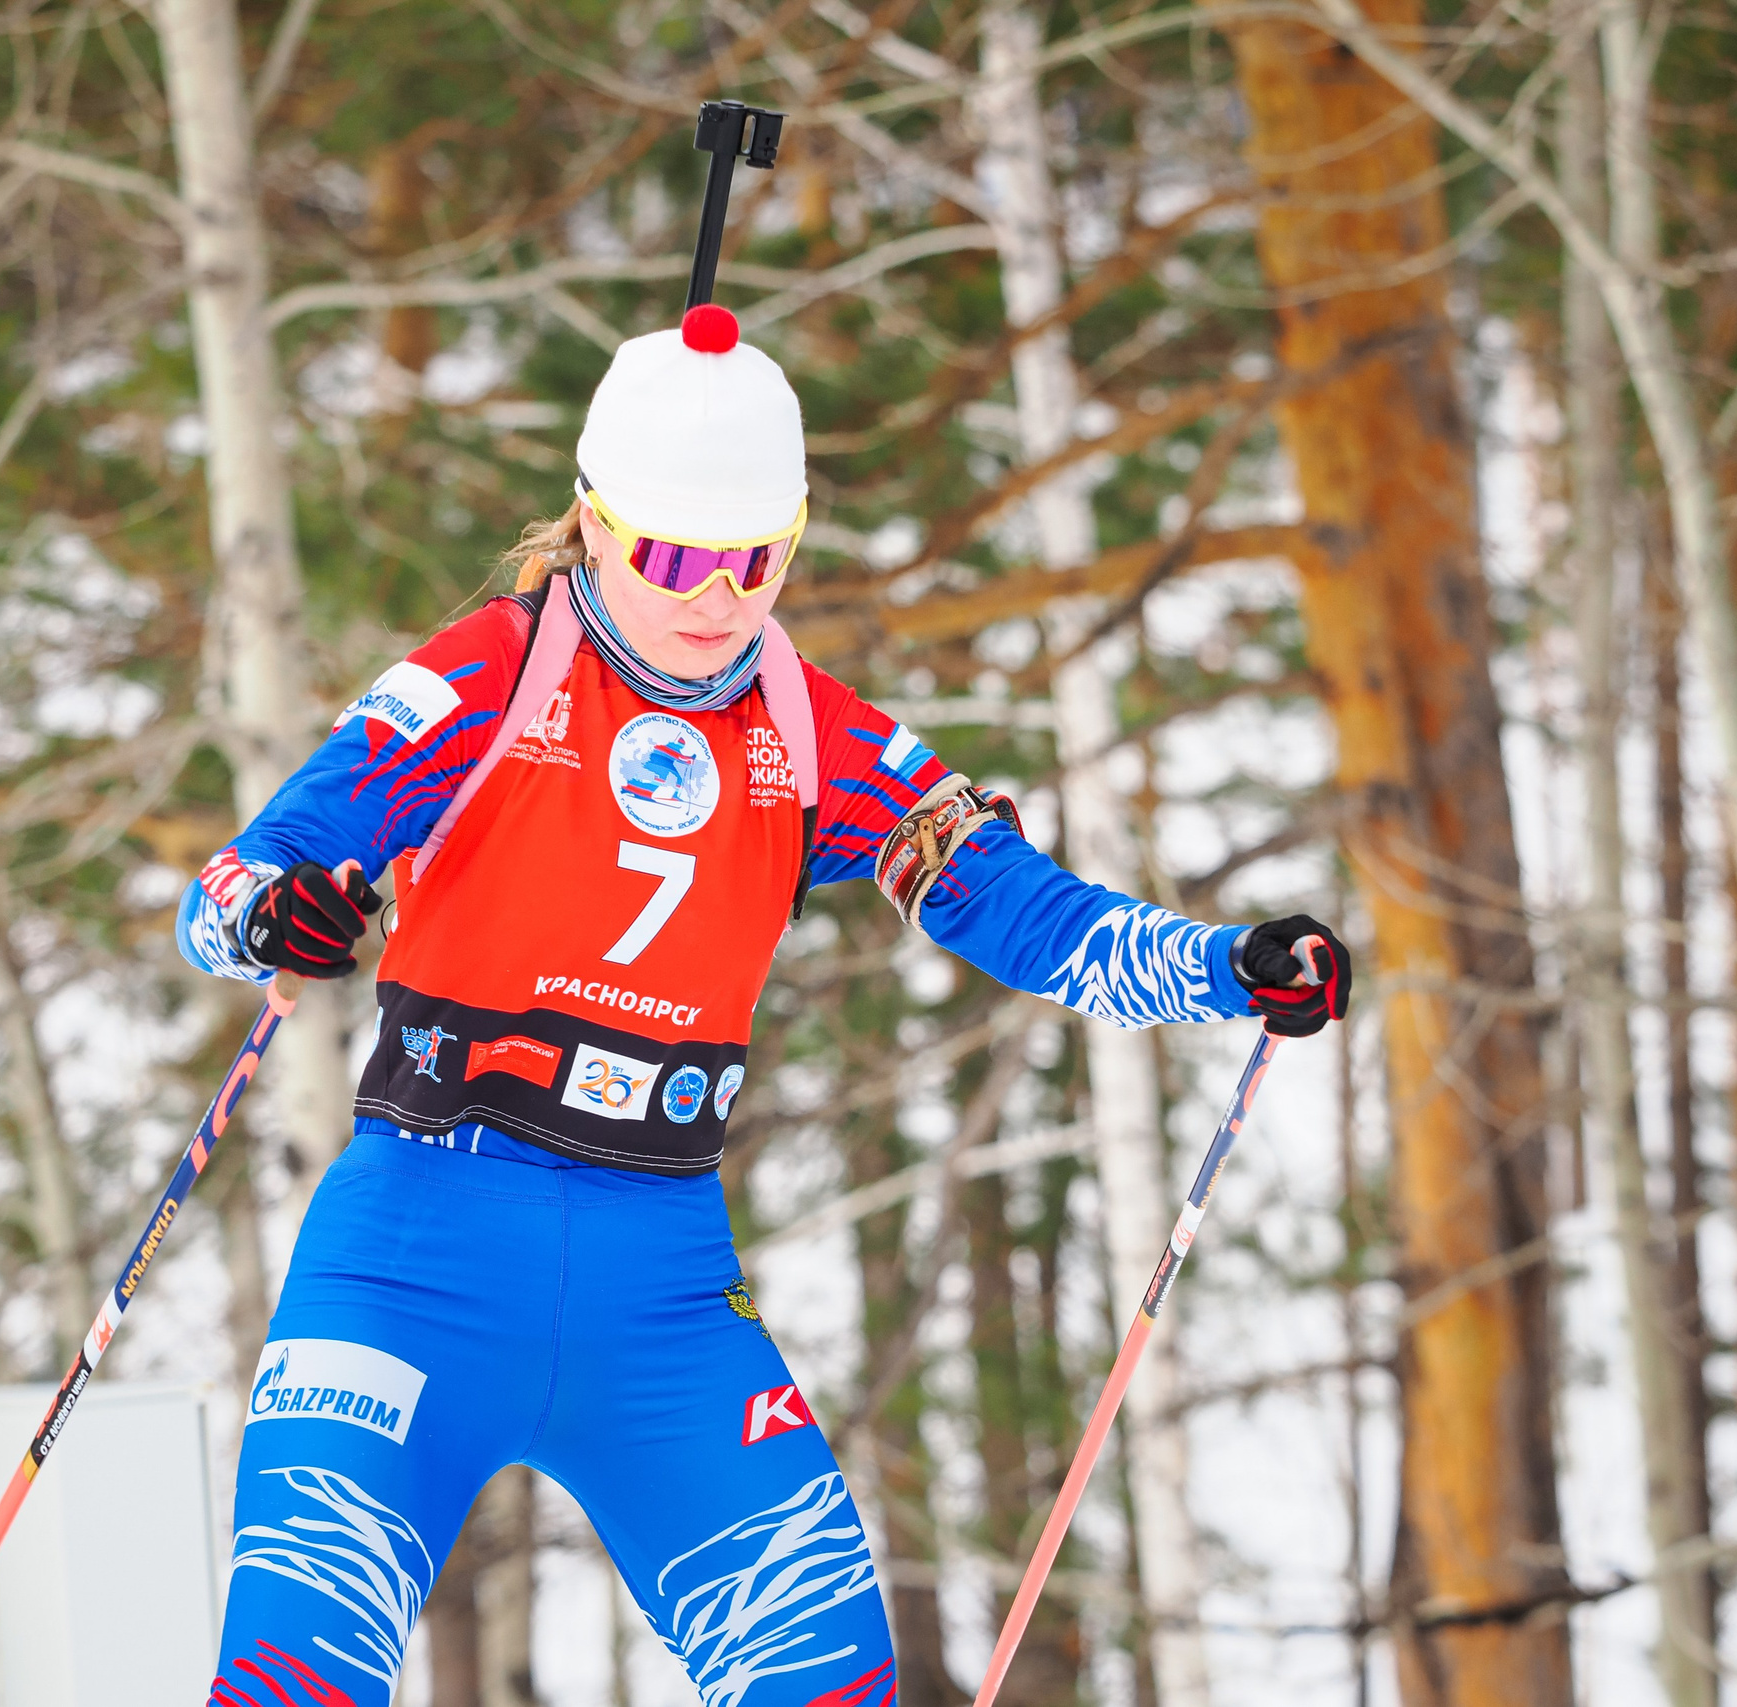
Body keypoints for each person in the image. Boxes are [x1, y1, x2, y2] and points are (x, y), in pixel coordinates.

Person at [178, 302, 1351, 1707]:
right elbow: (240, 885)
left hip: (656, 1282)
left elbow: (1026, 916)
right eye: (675, 554)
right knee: (295, 1670)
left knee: (827, 1673)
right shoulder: (488, 674)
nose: (716, 597)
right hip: (416, 1251)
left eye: (757, 559)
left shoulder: (817, 734)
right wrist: (270, 917)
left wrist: (1226, 968)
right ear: (595, 523)